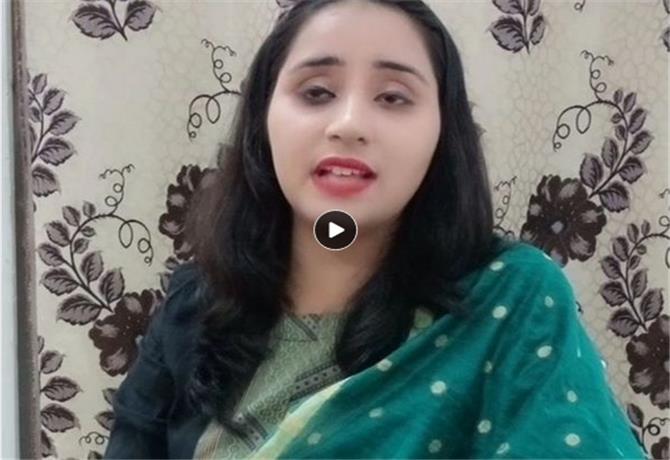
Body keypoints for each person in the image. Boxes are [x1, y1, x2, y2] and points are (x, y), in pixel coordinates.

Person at [104, 0, 647, 458]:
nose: (349, 124)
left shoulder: (511, 301)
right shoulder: (196, 306)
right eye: (317, 92)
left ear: (441, 133)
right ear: (263, 120)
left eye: (393, 97)